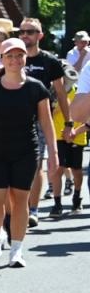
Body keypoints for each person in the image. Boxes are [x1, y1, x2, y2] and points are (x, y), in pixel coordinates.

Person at [0, 37, 58, 268]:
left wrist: (53, 154)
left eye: (19, 55)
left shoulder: (36, 87)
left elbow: (46, 123)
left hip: (25, 151)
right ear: (2, 59)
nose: (15, 60)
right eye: (10, 56)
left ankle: (16, 249)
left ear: (25, 58)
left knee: (19, 199)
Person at [17, 17, 70, 222]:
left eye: (30, 31)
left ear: (40, 35)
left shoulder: (50, 61)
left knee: (35, 165)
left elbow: (61, 94)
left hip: (40, 119)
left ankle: (33, 209)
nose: (25, 35)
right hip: (12, 119)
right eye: (22, 31)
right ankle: (16, 209)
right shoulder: (12, 57)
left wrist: (68, 123)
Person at [51, 77, 85, 215]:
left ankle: (77, 197)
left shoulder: (79, 92)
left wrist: (75, 131)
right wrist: (58, 105)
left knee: (76, 170)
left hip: (77, 136)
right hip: (58, 136)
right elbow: (47, 113)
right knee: (58, 169)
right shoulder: (52, 93)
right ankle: (57, 203)